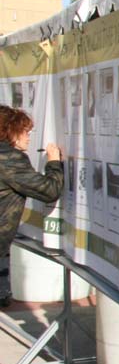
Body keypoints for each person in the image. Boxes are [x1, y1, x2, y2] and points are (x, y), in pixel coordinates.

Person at [0, 106, 64, 307]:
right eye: (25, 132)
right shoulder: (10, 160)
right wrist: (54, 163)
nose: (28, 137)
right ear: (11, 132)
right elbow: (49, 190)